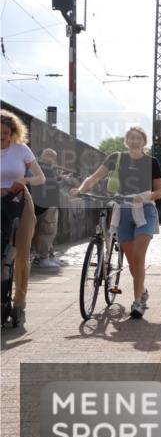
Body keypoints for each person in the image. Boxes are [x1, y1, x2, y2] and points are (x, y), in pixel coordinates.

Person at [70, 125, 161, 318]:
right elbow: (94, 177)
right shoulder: (116, 158)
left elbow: (159, 192)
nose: (134, 141)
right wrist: (80, 190)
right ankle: (143, 292)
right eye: (131, 138)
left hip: (144, 210)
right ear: (126, 140)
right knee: (131, 262)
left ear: (144, 142)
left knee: (139, 255)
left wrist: (144, 198)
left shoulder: (151, 162)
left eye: (138, 138)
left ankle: (137, 303)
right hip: (123, 209)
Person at [1, 110, 45, 325]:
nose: (1, 137)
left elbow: (40, 177)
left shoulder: (21, 150)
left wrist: (24, 181)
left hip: (19, 200)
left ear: (12, 132)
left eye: (5, 133)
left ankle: (19, 303)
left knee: (21, 254)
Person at [30, 148, 63, 270]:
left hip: (38, 205)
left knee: (41, 232)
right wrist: (62, 181)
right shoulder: (47, 169)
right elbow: (52, 186)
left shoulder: (36, 167)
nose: (51, 158)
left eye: (53, 156)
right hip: (48, 205)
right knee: (47, 232)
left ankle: (47, 256)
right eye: (49, 155)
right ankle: (44, 258)